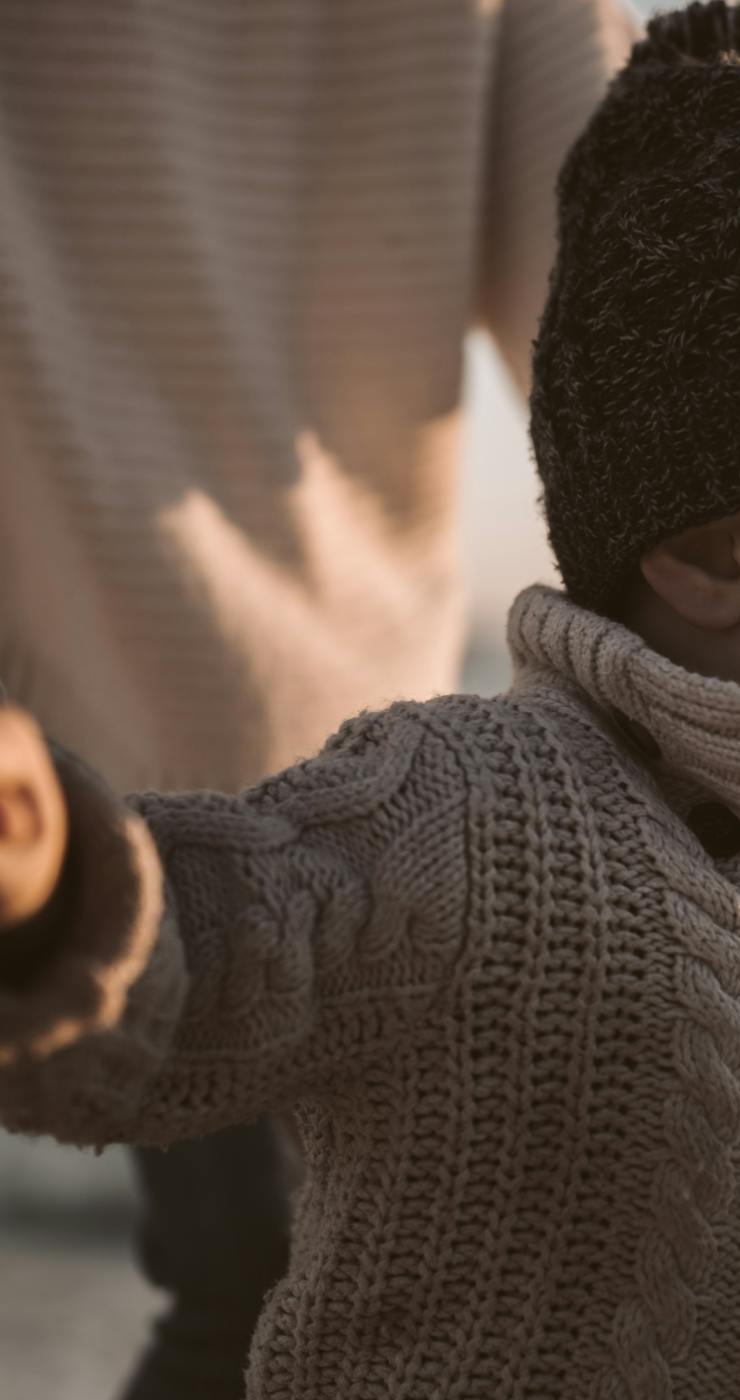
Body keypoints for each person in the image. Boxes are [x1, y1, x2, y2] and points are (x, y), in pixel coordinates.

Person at [1, 3, 740, 1395]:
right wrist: (51, 877)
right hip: (155, 689)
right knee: (226, 1289)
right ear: (699, 547)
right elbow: (196, 974)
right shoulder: (469, 819)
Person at [0, 1, 638, 1396]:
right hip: (294, 783)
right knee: (291, 1310)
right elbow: (639, 339)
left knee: (273, 1303)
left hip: (226, 798)